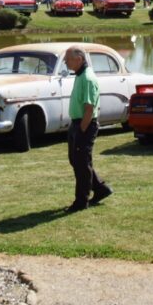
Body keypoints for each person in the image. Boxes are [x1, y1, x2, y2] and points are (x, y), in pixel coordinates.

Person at [64, 45, 113, 212]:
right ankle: (100, 189)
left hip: (85, 124)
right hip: (76, 123)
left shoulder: (88, 78)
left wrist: (82, 130)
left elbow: (89, 109)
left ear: (79, 59)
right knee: (77, 160)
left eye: (67, 59)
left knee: (81, 163)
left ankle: (81, 201)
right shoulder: (80, 75)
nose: (65, 61)